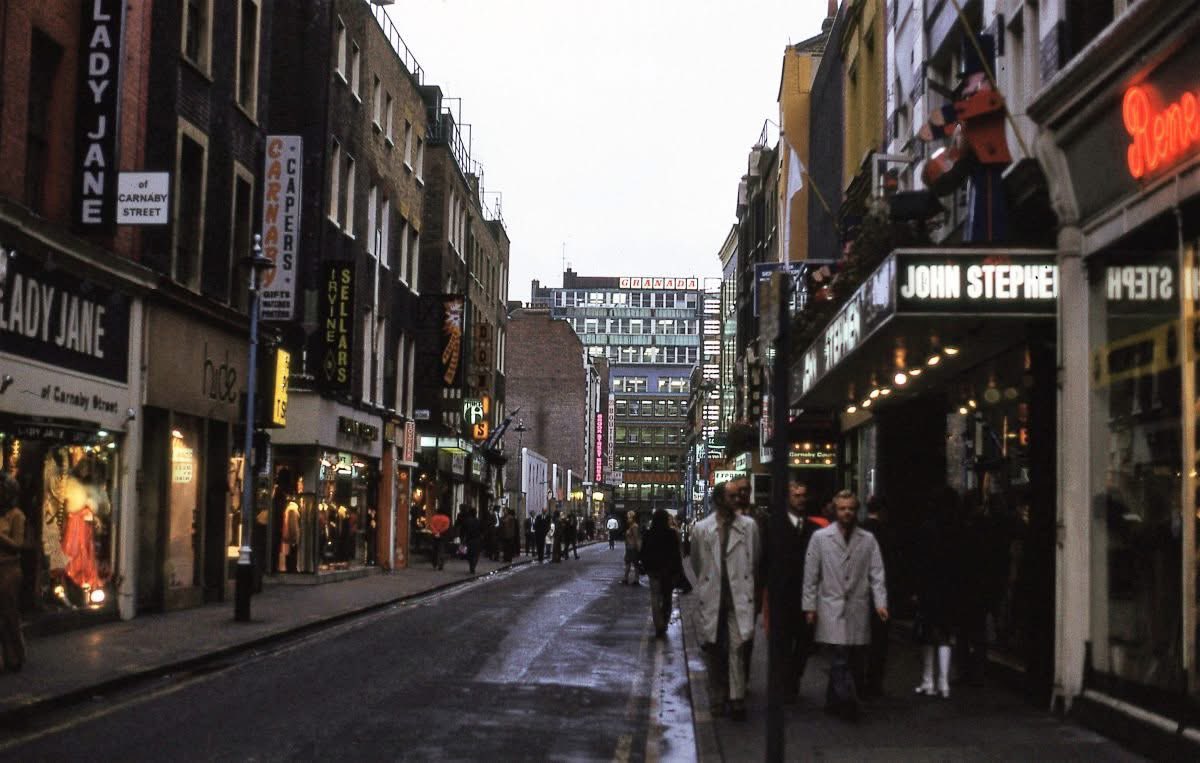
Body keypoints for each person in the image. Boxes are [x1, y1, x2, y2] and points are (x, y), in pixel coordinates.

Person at [803, 489, 888, 720]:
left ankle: (833, 701)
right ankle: (847, 702)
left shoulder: (868, 539)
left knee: (854, 657)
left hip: (857, 605)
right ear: (835, 510)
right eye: (842, 508)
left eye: (851, 508)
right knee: (839, 656)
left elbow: (877, 573)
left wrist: (880, 603)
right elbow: (811, 574)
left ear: (857, 510)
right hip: (831, 605)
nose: (847, 513)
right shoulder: (820, 538)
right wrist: (809, 606)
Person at [690, 482, 761, 721]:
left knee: (737, 649)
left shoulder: (749, 527)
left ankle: (737, 698)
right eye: (732, 496)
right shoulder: (702, 529)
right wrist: (707, 586)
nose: (737, 499)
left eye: (738, 495)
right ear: (719, 500)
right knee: (714, 651)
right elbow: (697, 564)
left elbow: (754, 560)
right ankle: (717, 698)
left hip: (738, 598)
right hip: (713, 598)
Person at [777, 479, 828, 703]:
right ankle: (787, 682)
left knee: (805, 642)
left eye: (803, 495)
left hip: (808, 596)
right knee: (784, 642)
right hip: (783, 595)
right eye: (796, 496)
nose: (801, 500)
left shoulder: (815, 530)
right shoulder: (776, 527)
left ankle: (794, 676)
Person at [912, 487, 959, 699]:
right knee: (945, 634)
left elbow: (920, 561)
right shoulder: (956, 528)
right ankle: (944, 682)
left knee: (928, 634)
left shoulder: (926, 528)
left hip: (929, 587)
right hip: (950, 587)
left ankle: (928, 680)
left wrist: (916, 589)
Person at [860, 496, 892, 697]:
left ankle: (859, 680)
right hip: (881, 592)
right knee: (879, 640)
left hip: (860, 593)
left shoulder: (859, 531)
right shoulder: (887, 533)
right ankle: (874, 682)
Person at [640, 508, 684, 638]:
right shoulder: (671, 534)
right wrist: (678, 569)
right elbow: (676, 554)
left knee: (655, 597)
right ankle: (664, 622)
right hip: (668, 571)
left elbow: (643, 551)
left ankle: (658, 623)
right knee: (667, 597)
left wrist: (645, 566)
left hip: (653, 570)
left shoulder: (649, 533)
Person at [0, 473, 27, 672]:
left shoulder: (17, 515)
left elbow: (18, 544)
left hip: (9, 569)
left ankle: (15, 656)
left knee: (9, 614)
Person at [461, 505, 483, 574]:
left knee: (470, 553)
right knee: (476, 554)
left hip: (469, 539)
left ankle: (471, 565)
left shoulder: (466, 521)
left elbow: (463, 530)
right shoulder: (478, 521)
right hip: (477, 539)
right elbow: (482, 530)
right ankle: (473, 566)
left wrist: (462, 538)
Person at [622, 511, 642, 585]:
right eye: (628, 517)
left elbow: (637, 538)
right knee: (628, 563)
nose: (628, 519)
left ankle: (636, 579)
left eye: (629, 517)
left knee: (635, 564)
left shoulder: (634, 526)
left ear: (633, 518)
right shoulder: (631, 526)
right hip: (629, 548)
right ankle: (626, 578)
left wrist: (639, 548)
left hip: (633, 548)